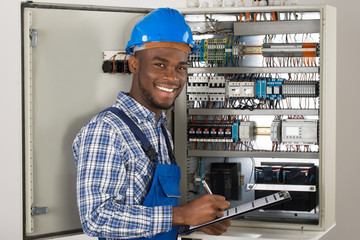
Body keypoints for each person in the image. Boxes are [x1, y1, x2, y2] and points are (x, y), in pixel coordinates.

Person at [72, 8, 230, 240]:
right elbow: (96, 218)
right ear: (134, 64)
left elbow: (149, 214)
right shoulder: (108, 129)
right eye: (160, 64)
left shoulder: (160, 131)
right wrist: (181, 215)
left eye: (181, 67)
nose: (172, 77)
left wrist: (193, 223)